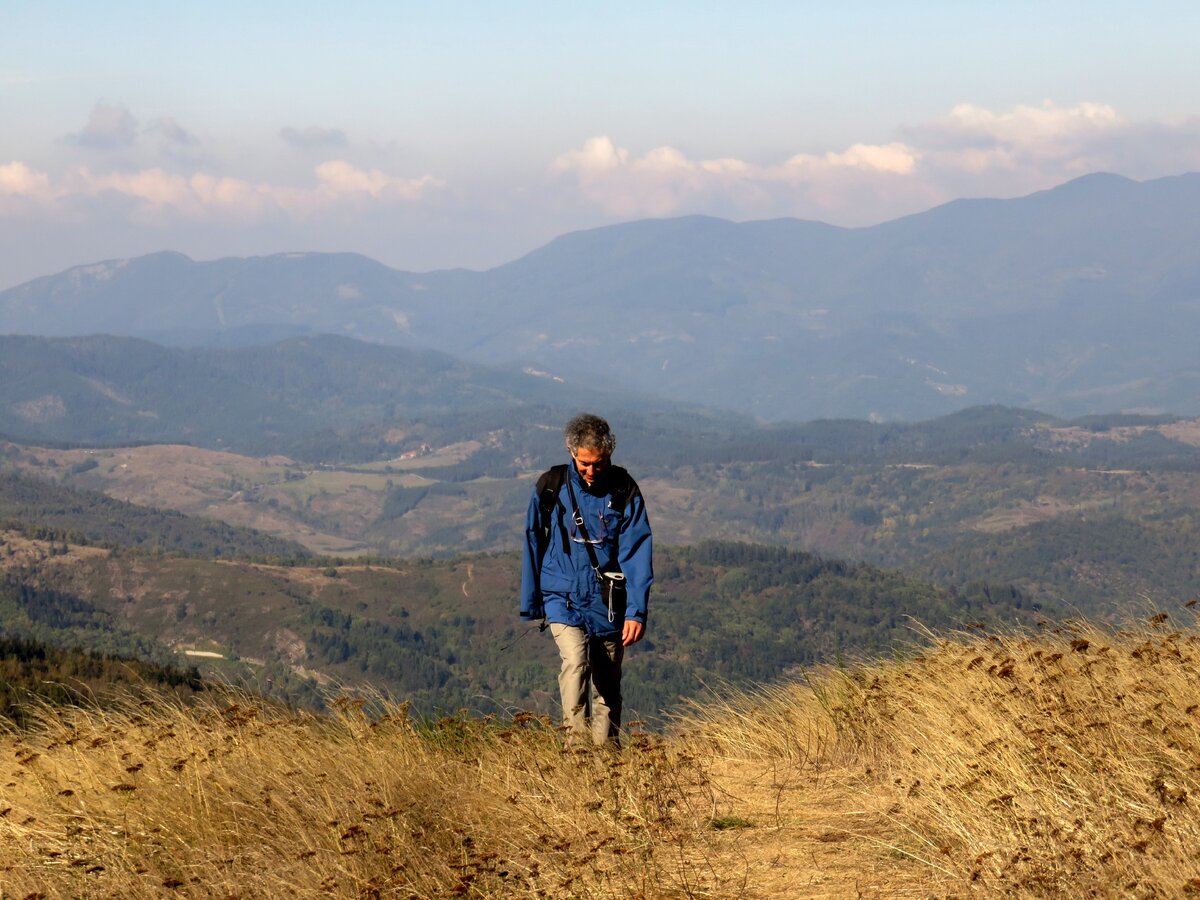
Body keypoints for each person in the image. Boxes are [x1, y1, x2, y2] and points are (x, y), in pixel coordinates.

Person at [520, 413, 653, 746]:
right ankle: (577, 753)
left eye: (599, 463)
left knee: (606, 685)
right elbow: (532, 538)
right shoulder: (551, 486)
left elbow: (637, 550)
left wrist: (636, 612)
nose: (592, 471)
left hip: (607, 602)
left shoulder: (624, 489)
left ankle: (607, 760)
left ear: (609, 456)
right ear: (571, 452)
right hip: (561, 595)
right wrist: (531, 600)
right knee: (576, 663)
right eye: (584, 464)